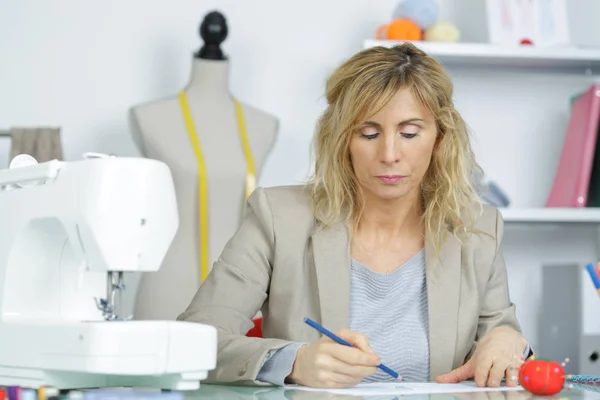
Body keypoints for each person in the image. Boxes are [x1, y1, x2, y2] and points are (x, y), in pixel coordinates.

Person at [177, 42, 532, 389]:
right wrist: (294, 362)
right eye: (369, 133)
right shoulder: (277, 218)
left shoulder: (478, 228)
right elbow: (194, 341)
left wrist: (506, 340)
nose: (389, 154)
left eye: (409, 133)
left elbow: (505, 338)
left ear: (440, 137)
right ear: (341, 139)